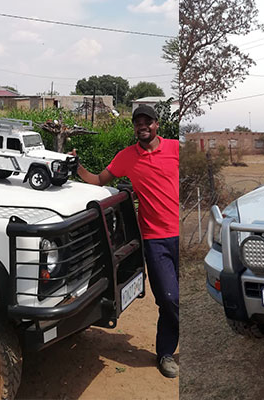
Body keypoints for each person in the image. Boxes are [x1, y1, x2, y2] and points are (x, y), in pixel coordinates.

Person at [72, 104, 179, 378]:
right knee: (169, 299)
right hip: (155, 240)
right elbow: (98, 180)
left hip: (184, 237)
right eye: (138, 122)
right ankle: (166, 353)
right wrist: (77, 166)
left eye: (148, 121)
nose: (142, 126)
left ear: (157, 124)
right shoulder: (126, 157)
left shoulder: (176, 149)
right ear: (134, 127)